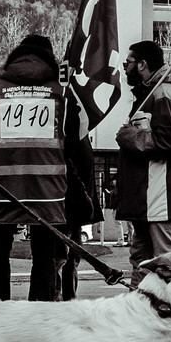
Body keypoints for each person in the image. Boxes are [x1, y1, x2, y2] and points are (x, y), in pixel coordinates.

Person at [0, 34, 67, 302]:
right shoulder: (61, 94)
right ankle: (39, 311)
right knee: (45, 253)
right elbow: (72, 140)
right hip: (48, 188)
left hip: (3, 185)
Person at [114, 39, 171, 284]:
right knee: (143, 261)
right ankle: (139, 314)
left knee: (166, 263)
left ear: (142, 64)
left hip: (161, 198)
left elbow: (168, 142)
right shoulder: (157, 93)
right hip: (151, 198)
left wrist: (130, 136)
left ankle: (168, 315)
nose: (124, 68)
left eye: (127, 63)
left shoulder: (164, 93)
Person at [59, 91, 99, 299]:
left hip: (64, 202)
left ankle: (58, 294)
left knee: (59, 254)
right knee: (70, 254)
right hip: (75, 204)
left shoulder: (71, 139)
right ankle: (67, 295)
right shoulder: (82, 141)